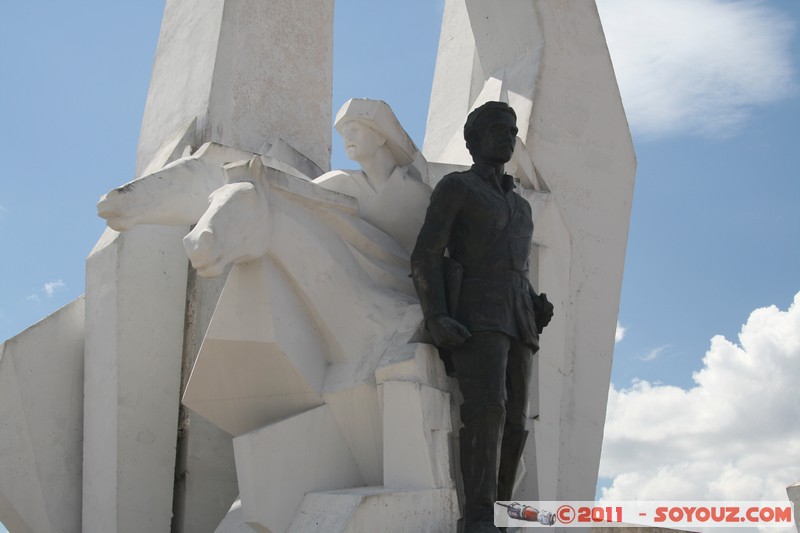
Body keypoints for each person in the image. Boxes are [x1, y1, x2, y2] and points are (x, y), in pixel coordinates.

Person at [411, 101, 553, 533]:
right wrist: (435, 314)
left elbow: (515, 266)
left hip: (518, 318)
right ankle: (477, 518)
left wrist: (534, 301)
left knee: (514, 420)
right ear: (473, 139)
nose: (507, 136)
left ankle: (502, 517)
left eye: (512, 130)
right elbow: (426, 254)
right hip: (476, 311)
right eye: (497, 129)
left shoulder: (522, 207)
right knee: (486, 410)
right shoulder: (457, 187)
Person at [314, 98, 431, 255]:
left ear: (381, 136)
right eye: (344, 133)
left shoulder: (419, 196)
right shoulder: (338, 183)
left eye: (354, 129)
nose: (347, 137)